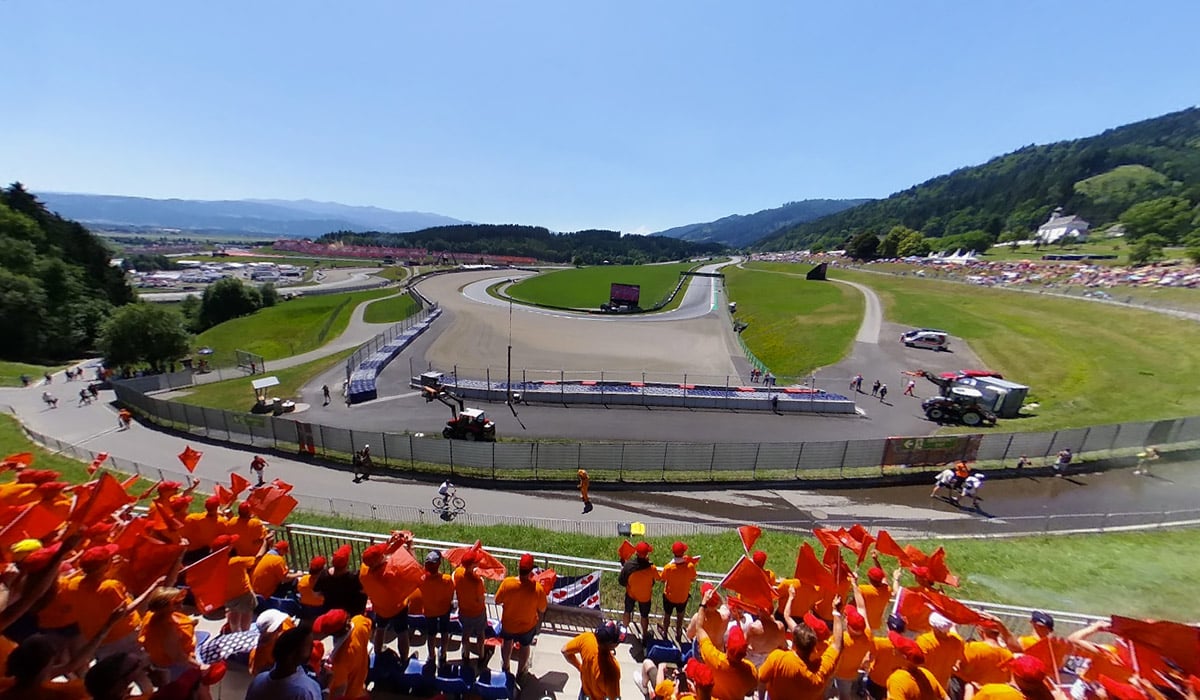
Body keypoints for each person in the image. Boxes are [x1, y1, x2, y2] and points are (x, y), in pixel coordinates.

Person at [758, 595, 845, 698]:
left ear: (794, 642)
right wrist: (836, 612)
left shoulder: (778, 657)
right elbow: (837, 645)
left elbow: (762, 679)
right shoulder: (820, 672)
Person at [495, 553, 548, 678]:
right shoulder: (537, 589)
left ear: (518, 568)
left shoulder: (507, 583)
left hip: (509, 624)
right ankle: (521, 672)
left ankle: (506, 666)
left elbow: (497, 600)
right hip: (527, 626)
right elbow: (543, 608)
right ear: (531, 571)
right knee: (525, 646)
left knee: (507, 642)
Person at [357, 543, 410, 661]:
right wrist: (408, 549)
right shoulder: (390, 573)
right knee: (402, 632)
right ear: (379, 560)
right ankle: (404, 659)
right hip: (398, 607)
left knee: (380, 629)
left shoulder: (364, 572)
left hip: (380, 607)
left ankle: (377, 652)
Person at [245, 625, 323, 700]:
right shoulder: (304, 691)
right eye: (309, 646)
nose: (312, 649)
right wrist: (325, 689)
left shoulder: (258, 680)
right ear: (292, 654)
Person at [561, 619, 624, 700]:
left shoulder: (587, 638)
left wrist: (580, 667)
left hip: (584, 694)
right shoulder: (612, 671)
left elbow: (564, 650)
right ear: (612, 645)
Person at [417, 550, 456, 666]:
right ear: (439, 564)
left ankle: (431, 656)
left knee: (431, 634)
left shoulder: (421, 580)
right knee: (444, 632)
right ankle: (443, 655)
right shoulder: (447, 579)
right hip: (444, 610)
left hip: (429, 611)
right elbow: (451, 593)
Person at [453, 551, 488, 668]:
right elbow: (481, 600)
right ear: (472, 566)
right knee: (480, 634)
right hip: (477, 613)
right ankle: (481, 656)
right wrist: (481, 582)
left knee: (465, 634)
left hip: (464, 611)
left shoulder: (458, 573)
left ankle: (465, 655)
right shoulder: (477, 582)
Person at [620, 541, 660, 640]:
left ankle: (623, 631)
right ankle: (645, 635)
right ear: (647, 554)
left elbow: (621, 581)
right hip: (645, 597)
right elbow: (659, 578)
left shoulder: (628, 565)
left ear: (636, 553)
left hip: (631, 594)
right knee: (644, 616)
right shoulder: (652, 568)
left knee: (627, 611)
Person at [660, 541, 698, 641]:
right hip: (682, 597)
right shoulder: (689, 566)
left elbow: (662, 578)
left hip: (669, 596)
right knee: (680, 617)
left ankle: (665, 632)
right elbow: (693, 578)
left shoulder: (668, 567)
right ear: (683, 553)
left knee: (667, 616)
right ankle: (679, 633)